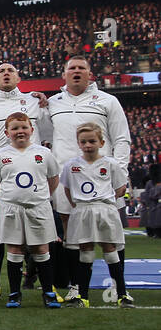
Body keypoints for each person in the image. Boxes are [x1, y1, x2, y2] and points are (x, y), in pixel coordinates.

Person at [46, 56, 131, 304]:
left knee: (111, 237)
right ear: (64, 75)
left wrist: (121, 173)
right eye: (71, 68)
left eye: (81, 68)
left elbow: (122, 138)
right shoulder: (53, 102)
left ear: (90, 74)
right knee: (72, 236)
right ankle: (75, 287)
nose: (76, 72)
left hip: (103, 179)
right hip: (67, 178)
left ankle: (119, 288)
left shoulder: (108, 100)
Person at [0, 63, 48, 302]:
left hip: (33, 178)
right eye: (1, 71)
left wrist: (44, 100)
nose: (6, 73)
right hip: (2, 177)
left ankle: (43, 285)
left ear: (18, 76)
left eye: (10, 70)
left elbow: (50, 134)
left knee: (37, 235)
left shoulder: (35, 101)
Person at [0, 112, 60, 309]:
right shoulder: (1, 155)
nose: (20, 132)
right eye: (15, 128)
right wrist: (12, 196)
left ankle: (48, 292)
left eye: (24, 127)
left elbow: (53, 179)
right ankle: (14, 293)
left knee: (41, 249)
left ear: (32, 130)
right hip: (12, 209)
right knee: (15, 250)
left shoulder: (44, 153)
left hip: (38, 208)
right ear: (7, 132)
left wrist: (39, 196)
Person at [61, 123, 132, 308]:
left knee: (110, 249)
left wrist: (102, 202)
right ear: (78, 144)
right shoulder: (71, 165)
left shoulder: (111, 164)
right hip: (82, 210)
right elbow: (68, 190)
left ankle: (122, 294)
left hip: (105, 209)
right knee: (85, 251)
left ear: (101, 142)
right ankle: (82, 296)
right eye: (83, 142)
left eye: (92, 141)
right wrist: (80, 205)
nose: (87, 145)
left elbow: (119, 188)